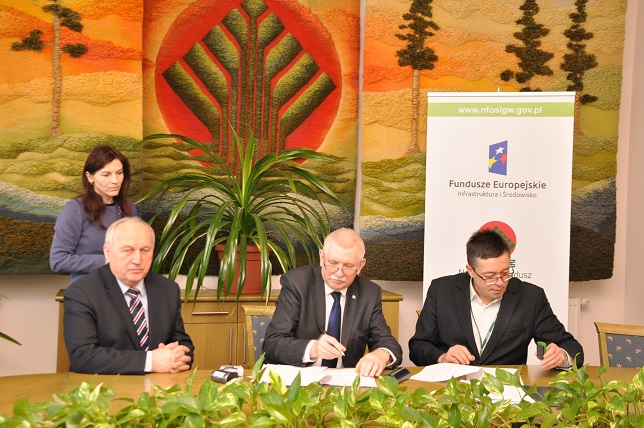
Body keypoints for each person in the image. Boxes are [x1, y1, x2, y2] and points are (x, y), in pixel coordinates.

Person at [409, 229, 584, 370]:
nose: (500, 283)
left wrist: (561, 356)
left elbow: (571, 346)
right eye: (490, 276)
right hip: (452, 388)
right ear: (470, 270)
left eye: (505, 273)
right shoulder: (441, 291)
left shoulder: (531, 297)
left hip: (507, 392)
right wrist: (442, 358)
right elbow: (418, 346)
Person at [263, 227, 403, 377]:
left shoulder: (369, 293)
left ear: (361, 265)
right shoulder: (297, 284)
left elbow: (387, 342)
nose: (339, 273)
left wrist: (382, 355)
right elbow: (272, 344)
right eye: (333, 263)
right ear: (322, 257)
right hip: (298, 380)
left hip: (345, 382)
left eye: (348, 266)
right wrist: (313, 348)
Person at [63, 216, 194, 374]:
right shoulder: (82, 293)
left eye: (145, 250)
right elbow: (82, 357)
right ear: (107, 252)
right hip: (104, 386)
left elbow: (183, 344)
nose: (137, 260)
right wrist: (150, 361)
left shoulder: (167, 289)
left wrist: (179, 357)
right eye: (128, 250)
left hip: (159, 384)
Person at [50, 144, 137, 283]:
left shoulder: (130, 209)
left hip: (125, 288)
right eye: (106, 174)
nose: (115, 181)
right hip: (88, 289)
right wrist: (108, 260)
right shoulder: (75, 209)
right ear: (90, 177)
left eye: (119, 173)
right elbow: (58, 261)